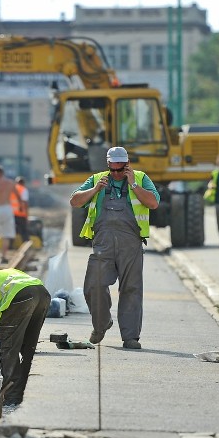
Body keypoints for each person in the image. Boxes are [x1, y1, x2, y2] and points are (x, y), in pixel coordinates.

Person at [69, 146, 160, 349]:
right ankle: (101, 324)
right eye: (114, 169)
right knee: (93, 286)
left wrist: (134, 184)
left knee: (131, 289)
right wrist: (95, 190)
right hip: (103, 243)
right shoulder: (97, 179)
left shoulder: (141, 178)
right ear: (108, 165)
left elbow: (153, 203)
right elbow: (74, 201)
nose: (117, 173)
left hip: (131, 244)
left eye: (121, 169)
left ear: (127, 165)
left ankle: (130, 337)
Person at [0, 268, 51, 406]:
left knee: (9, 350)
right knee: (28, 348)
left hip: (20, 298)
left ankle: (12, 397)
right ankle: (24, 391)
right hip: (42, 294)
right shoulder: (0, 277)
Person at [10, 176, 30, 245]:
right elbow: (25, 204)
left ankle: (10, 246)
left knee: (12, 231)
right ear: (23, 183)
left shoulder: (12, 189)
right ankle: (26, 245)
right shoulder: (23, 190)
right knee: (24, 232)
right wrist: (27, 216)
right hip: (21, 214)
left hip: (11, 214)